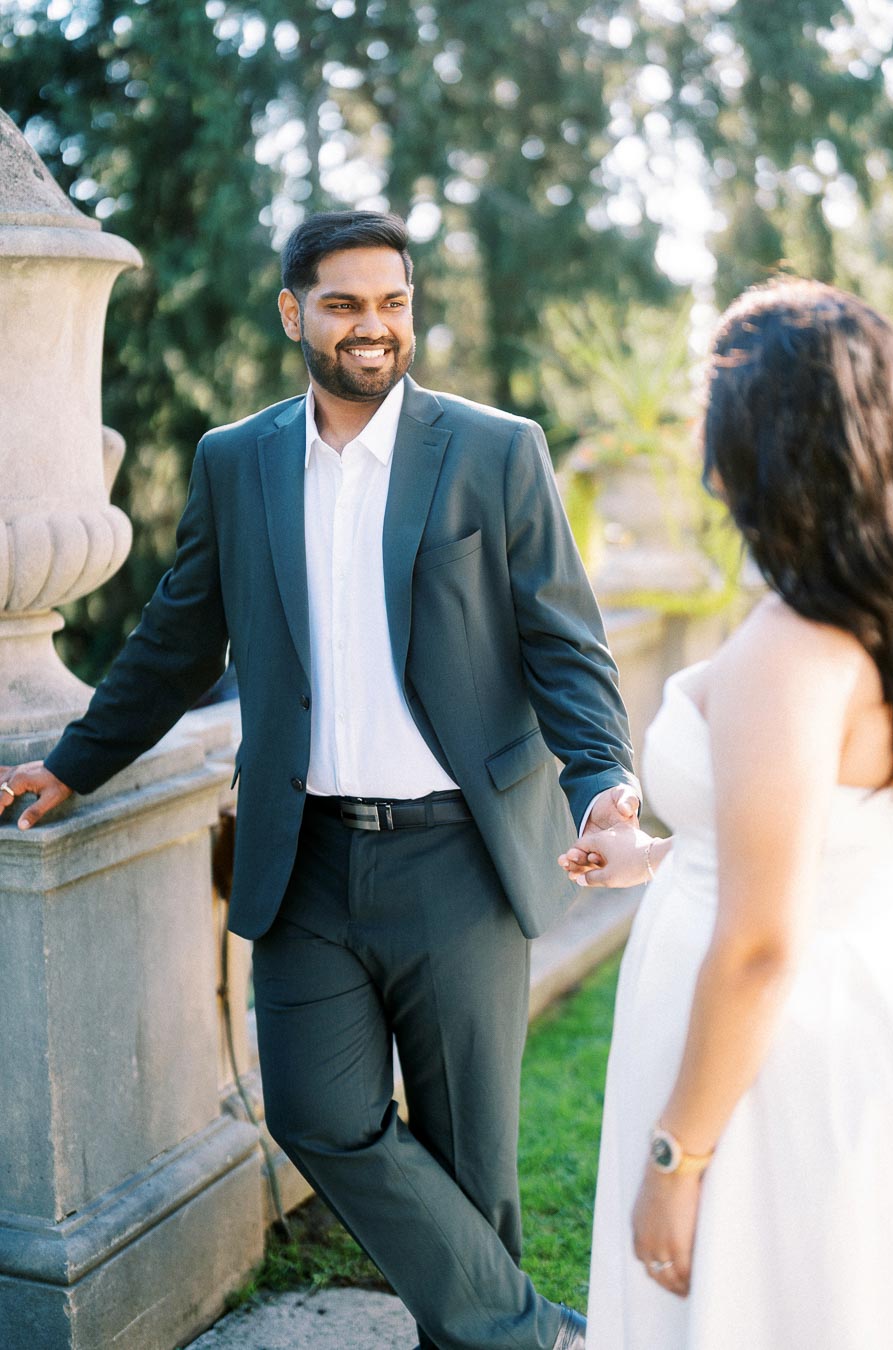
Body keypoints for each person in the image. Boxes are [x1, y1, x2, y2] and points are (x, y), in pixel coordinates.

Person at [0, 210, 642, 1350]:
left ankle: (481, 1340)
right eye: (344, 304)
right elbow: (175, 641)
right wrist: (74, 762)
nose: (373, 328)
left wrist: (603, 785)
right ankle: (529, 1333)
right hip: (307, 860)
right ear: (294, 313)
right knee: (313, 1109)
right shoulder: (237, 460)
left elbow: (564, 643)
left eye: (392, 303)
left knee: (470, 1154)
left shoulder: (494, 450)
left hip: (460, 855)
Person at [559, 278, 893, 1349]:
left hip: (757, 1063)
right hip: (832, 1010)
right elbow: (812, 844)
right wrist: (663, 855)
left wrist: (679, 1155)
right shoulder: (864, 613)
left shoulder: (794, 648)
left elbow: (758, 942)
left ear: (756, 435)